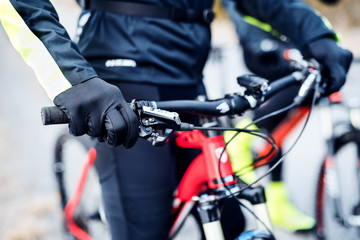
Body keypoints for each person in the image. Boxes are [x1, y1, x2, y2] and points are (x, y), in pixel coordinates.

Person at [0, 0, 352, 239]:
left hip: (187, 76)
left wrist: (316, 33)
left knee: (231, 220)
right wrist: (76, 80)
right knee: (145, 228)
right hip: (119, 77)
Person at [222, 0, 346, 233]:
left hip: (287, 36)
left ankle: (278, 204)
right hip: (262, 42)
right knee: (300, 79)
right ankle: (241, 136)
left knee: (280, 130)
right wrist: (258, 40)